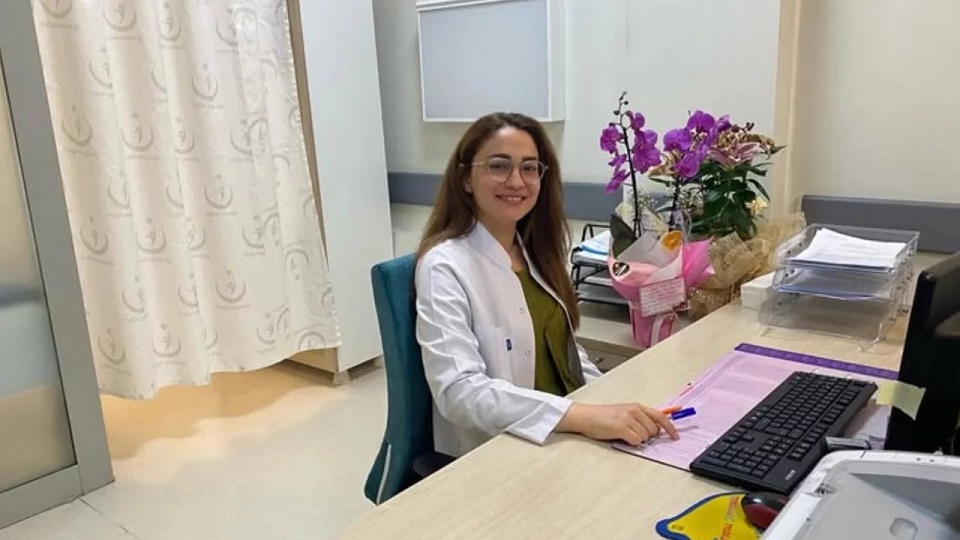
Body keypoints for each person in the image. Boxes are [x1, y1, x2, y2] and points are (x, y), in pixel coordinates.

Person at [414, 112, 679, 458]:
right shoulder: (445, 266)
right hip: (503, 449)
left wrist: (607, 402)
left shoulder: (534, 252)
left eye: (529, 167)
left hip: (563, 431)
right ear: (465, 178)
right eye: (498, 166)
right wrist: (582, 416)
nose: (516, 181)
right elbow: (459, 392)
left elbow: (563, 352)